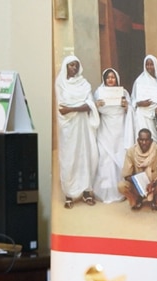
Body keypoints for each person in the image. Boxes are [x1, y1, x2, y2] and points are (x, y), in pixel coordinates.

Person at [55, 55, 100, 209]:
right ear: (66, 67)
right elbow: (61, 109)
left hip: (84, 127)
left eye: (75, 65)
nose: (73, 68)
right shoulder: (60, 83)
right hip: (68, 128)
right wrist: (77, 107)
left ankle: (86, 192)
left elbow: (90, 106)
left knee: (86, 157)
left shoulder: (84, 84)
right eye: (70, 65)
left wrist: (72, 108)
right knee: (69, 158)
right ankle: (69, 194)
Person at [93, 68, 134, 203]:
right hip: (105, 129)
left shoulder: (123, 92)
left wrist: (126, 106)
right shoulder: (99, 92)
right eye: (108, 77)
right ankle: (106, 191)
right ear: (104, 79)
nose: (110, 80)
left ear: (117, 79)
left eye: (113, 77)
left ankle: (121, 191)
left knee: (120, 158)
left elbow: (131, 110)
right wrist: (96, 106)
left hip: (120, 129)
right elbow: (93, 111)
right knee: (105, 158)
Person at [118, 128, 157, 211]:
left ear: (151, 140)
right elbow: (127, 175)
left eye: (146, 140)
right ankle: (135, 200)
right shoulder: (131, 151)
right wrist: (140, 184)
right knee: (121, 186)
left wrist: (153, 184)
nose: (144, 143)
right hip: (137, 186)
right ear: (138, 140)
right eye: (141, 140)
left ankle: (156, 201)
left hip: (155, 184)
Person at [131, 55, 157, 142]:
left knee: (154, 139)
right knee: (143, 138)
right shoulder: (139, 80)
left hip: (155, 115)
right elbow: (133, 99)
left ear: (155, 65)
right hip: (142, 114)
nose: (149, 67)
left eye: (151, 64)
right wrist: (139, 103)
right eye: (147, 64)